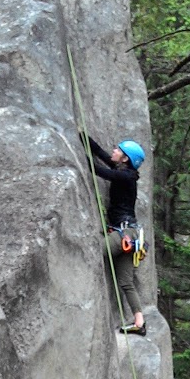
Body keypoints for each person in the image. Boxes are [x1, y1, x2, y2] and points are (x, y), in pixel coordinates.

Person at [85, 134, 147, 335]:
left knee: (95, 252)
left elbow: (99, 170)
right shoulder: (124, 172)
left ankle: (138, 322)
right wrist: (83, 136)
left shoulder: (126, 177)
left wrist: (80, 157)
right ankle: (139, 322)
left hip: (124, 233)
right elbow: (102, 154)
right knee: (126, 282)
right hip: (130, 234)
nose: (114, 150)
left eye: (118, 150)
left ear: (125, 158)